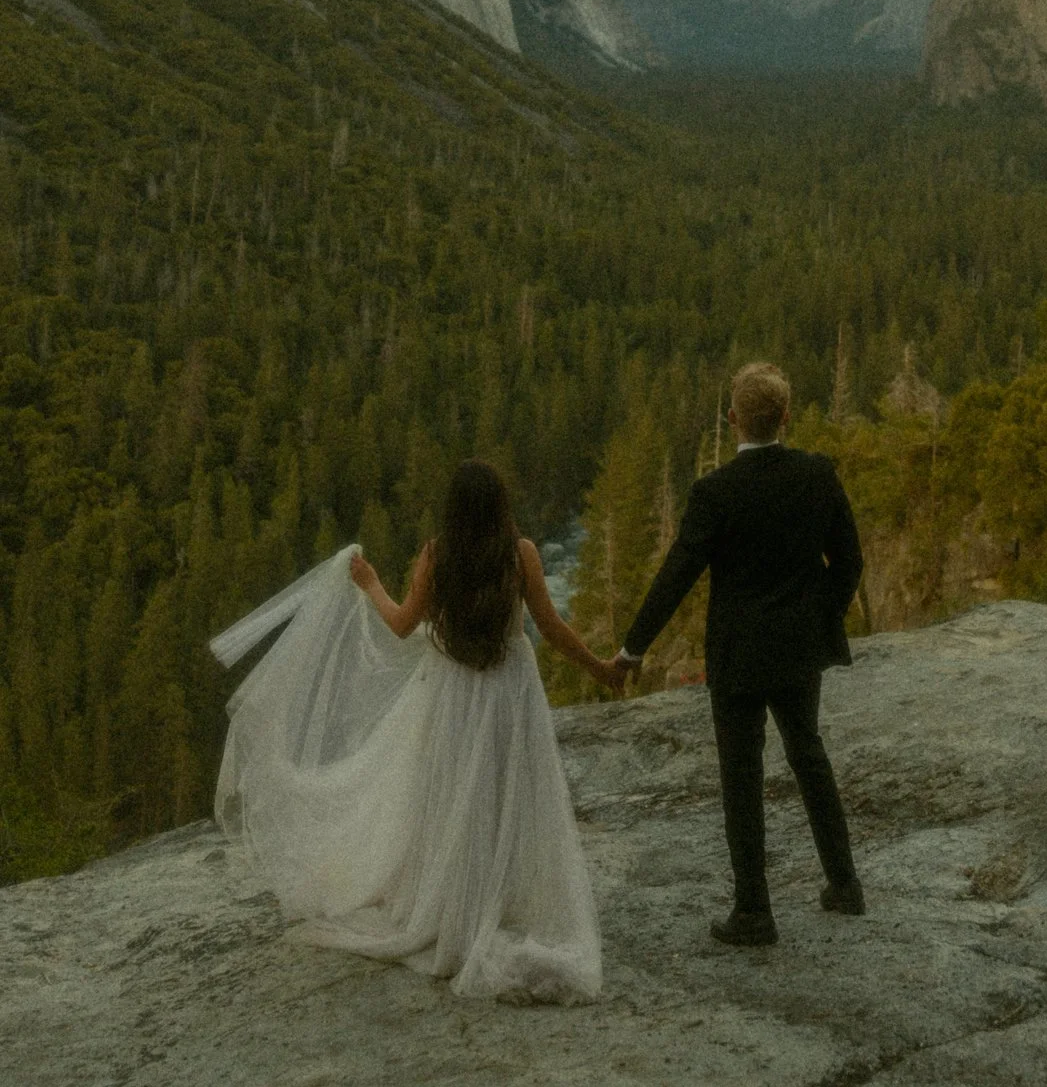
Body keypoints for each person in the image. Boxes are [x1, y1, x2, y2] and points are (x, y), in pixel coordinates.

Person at [212, 460, 616, 1001]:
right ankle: (503, 895)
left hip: (453, 692)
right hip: (509, 693)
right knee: (513, 794)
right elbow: (552, 629)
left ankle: (454, 901)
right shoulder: (521, 555)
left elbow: (402, 624)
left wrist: (370, 583)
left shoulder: (437, 554)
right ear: (501, 506)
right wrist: (600, 668)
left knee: (450, 799)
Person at [609, 361, 865, 946]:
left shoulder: (715, 492)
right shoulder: (817, 475)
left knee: (741, 775)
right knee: (810, 755)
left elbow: (677, 575)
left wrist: (631, 649)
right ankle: (845, 885)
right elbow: (849, 563)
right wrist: (817, 617)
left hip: (739, 654)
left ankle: (754, 911)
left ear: (734, 420)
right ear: (785, 417)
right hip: (800, 650)